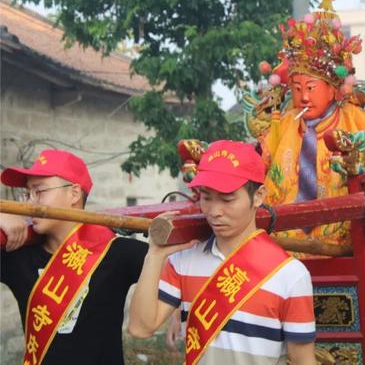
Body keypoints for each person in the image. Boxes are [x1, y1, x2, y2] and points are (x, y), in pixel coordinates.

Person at [128, 140, 316, 365]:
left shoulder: (290, 275)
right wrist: (155, 256)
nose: (214, 212)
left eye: (227, 199)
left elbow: (303, 360)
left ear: (258, 196)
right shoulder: (183, 262)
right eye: (206, 198)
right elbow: (140, 328)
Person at [260, 0, 365, 248]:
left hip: (343, 242)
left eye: (312, 88)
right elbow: (260, 165)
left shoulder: (354, 119)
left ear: (333, 89)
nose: (303, 96)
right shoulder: (284, 123)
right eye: (296, 88)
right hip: (281, 243)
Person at [0, 149, 148, 365]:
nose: (31, 202)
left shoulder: (117, 253)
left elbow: (178, 272)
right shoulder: (18, 255)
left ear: (74, 194)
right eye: (27, 193)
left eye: (39, 191)